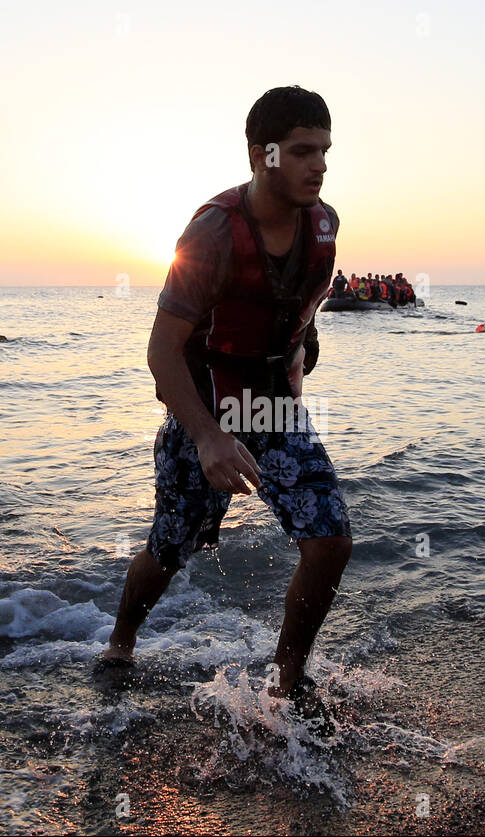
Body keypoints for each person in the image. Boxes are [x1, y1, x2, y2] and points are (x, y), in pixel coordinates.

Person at [99, 86, 352, 706]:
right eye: (300, 152)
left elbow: (299, 295)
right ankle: (121, 641)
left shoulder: (324, 223)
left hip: (276, 408)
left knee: (330, 541)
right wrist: (210, 436)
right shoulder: (212, 233)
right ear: (260, 155)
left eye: (324, 151)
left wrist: (304, 335)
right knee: (170, 546)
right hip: (205, 412)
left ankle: (287, 683)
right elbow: (161, 351)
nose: (317, 165)